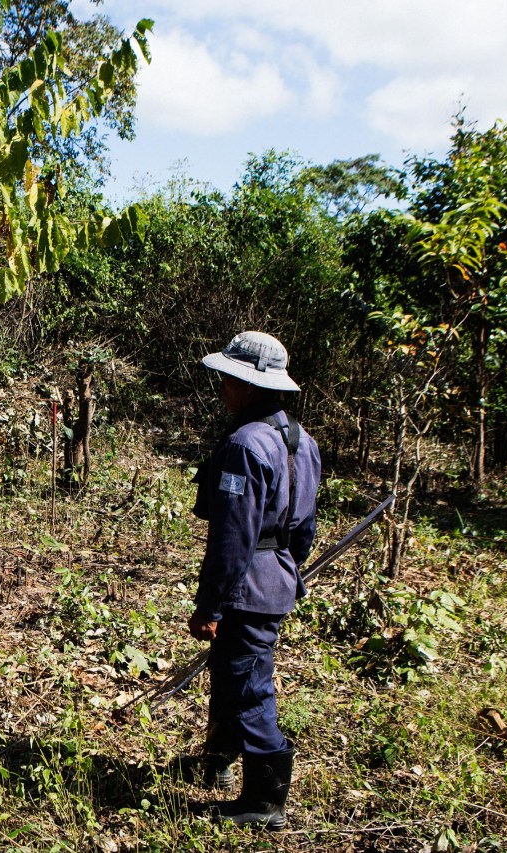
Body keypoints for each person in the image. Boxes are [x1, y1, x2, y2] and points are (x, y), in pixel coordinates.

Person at [187, 331, 321, 830]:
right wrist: (285, 571)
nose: (222, 386)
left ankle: (265, 801)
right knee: (229, 673)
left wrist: (210, 606)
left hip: (247, 587)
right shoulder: (300, 442)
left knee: (249, 688)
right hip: (275, 580)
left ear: (249, 385)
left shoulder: (245, 445)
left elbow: (232, 539)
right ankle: (218, 763)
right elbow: (302, 531)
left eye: (228, 378)